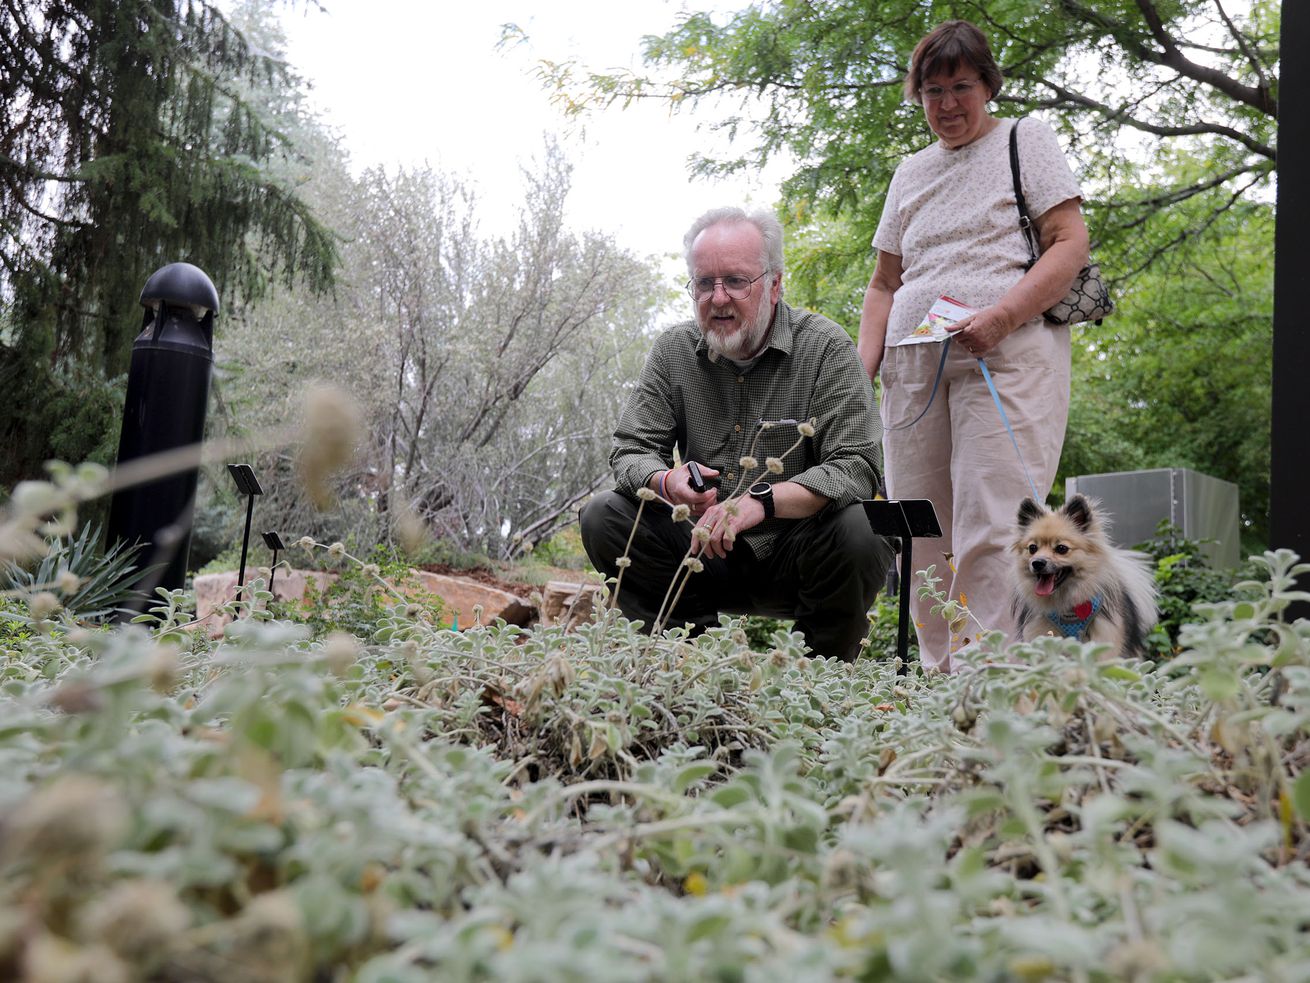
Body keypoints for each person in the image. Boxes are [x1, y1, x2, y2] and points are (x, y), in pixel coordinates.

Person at [857, 20, 1090, 671]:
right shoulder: (909, 173)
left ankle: (989, 684)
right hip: (910, 371)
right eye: (932, 91)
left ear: (987, 83)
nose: (947, 104)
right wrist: (861, 368)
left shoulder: (1026, 140)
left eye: (961, 86)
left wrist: (1002, 314)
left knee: (993, 525)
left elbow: (1069, 241)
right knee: (918, 529)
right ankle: (937, 678)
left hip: (1004, 355)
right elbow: (883, 283)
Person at [580, 207, 893, 662]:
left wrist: (760, 502)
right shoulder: (673, 351)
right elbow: (631, 448)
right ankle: (687, 666)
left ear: (774, 283)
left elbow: (857, 466)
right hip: (701, 552)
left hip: (801, 553)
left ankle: (818, 681)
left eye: (736, 281)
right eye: (705, 283)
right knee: (604, 514)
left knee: (865, 525)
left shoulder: (826, 348)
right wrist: (667, 483)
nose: (719, 298)